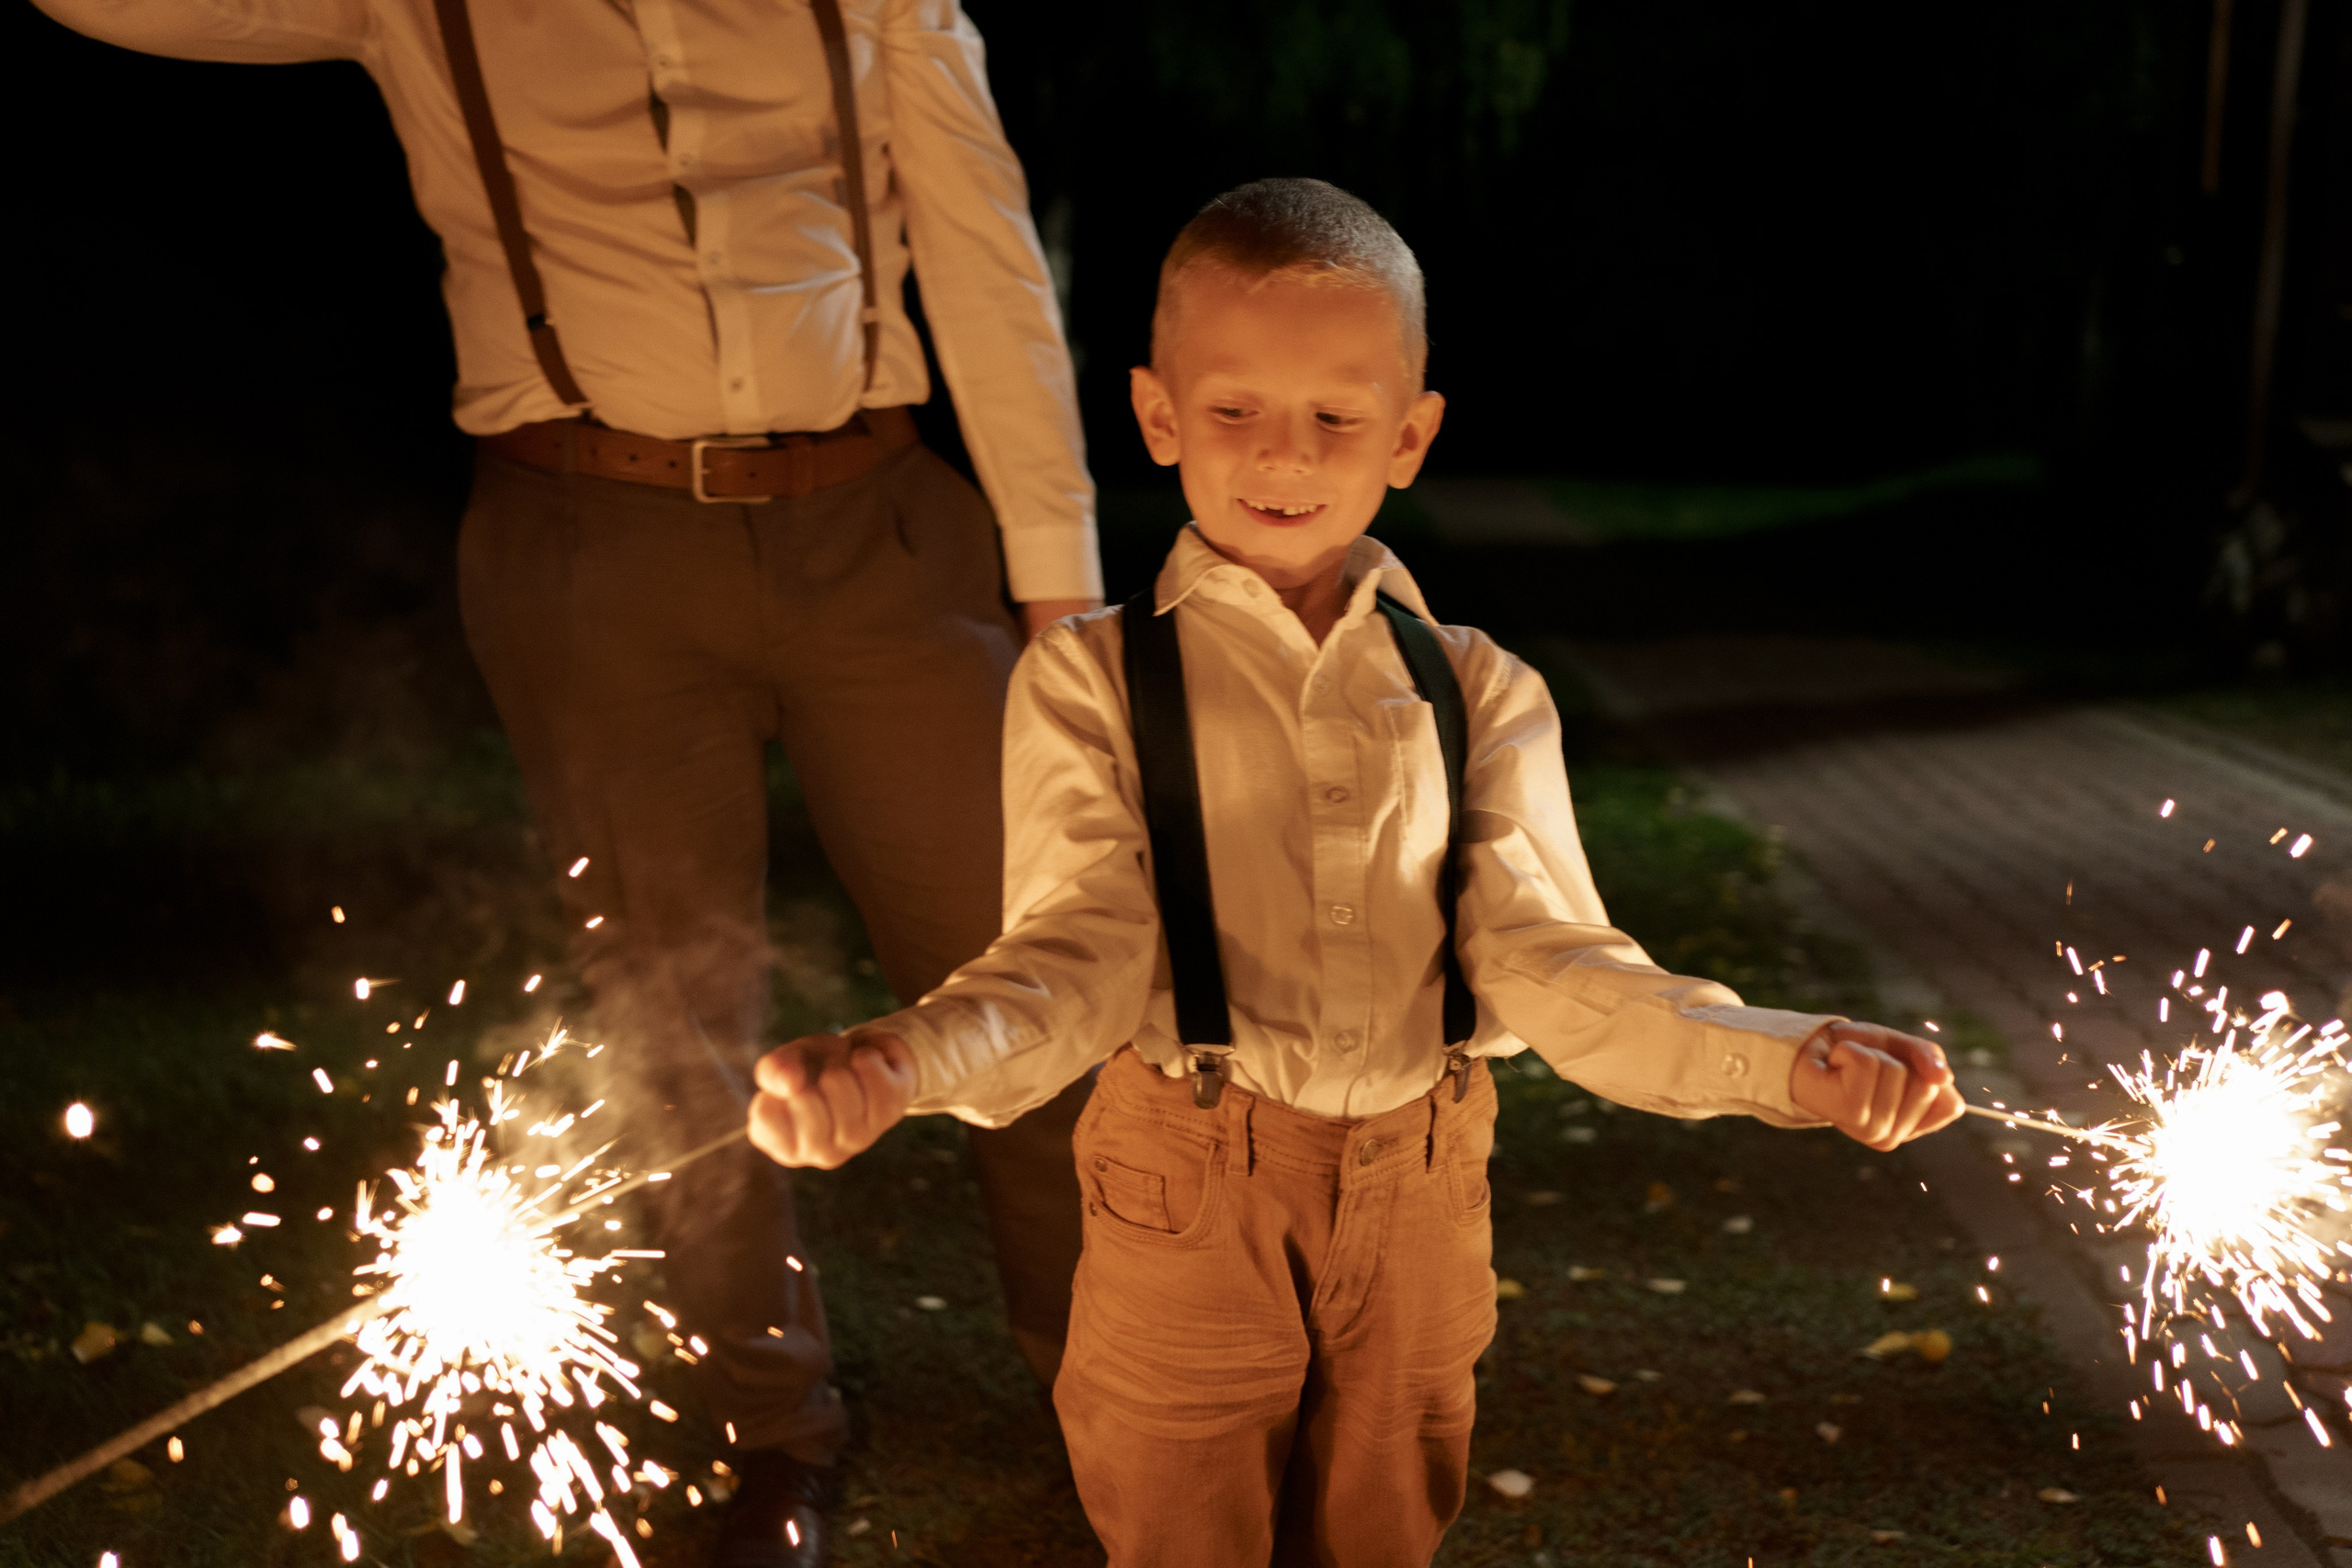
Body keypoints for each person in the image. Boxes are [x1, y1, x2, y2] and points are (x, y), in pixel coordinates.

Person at [742, 177, 1968, 1568]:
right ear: (1155, 415)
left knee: (1386, 1528)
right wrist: (906, 1060)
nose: (1286, 452)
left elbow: (1555, 964)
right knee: (1178, 1519)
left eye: (1336, 416)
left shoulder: (1481, 688)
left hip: (1426, 1184)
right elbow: (1073, 957)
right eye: (1233, 410)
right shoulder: (1091, 679)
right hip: (1185, 1178)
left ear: (1411, 435)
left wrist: (1781, 1057)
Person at [31, 2, 1099, 1562]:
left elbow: (989, 249)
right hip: (589, 548)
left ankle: (1121, 1396)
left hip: (877, 525)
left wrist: (1058, 586)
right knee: (674, 1016)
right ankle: (767, 1436)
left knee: (1029, 973)